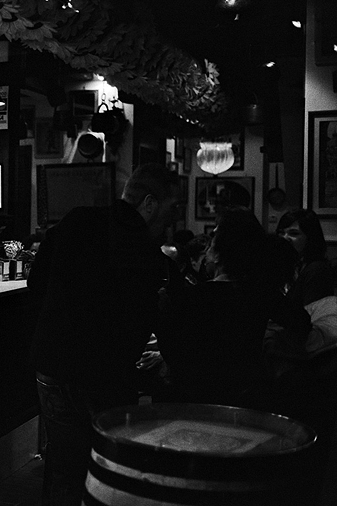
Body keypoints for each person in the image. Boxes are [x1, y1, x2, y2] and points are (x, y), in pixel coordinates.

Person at [28, 163, 181, 505]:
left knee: (63, 466)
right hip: (104, 376)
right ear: (149, 204)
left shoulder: (76, 220)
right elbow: (147, 321)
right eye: (172, 207)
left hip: (52, 364)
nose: (174, 218)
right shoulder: (146, 252)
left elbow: (35, 284)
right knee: (106, 469)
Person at [156, 207, 310, 407]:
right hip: (248, 396)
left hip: (197, 399)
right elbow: (301, 322)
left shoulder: (195, 296)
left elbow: (175, 354)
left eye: (214, 237)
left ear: (219, 253)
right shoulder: (261, 293)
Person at [276, 209, 334, 308]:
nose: (285, 238)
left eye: (293, 233)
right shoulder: (284, 265)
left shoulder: (316, 270)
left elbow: (312, 313)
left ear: (310, 238)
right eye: (281, 233)